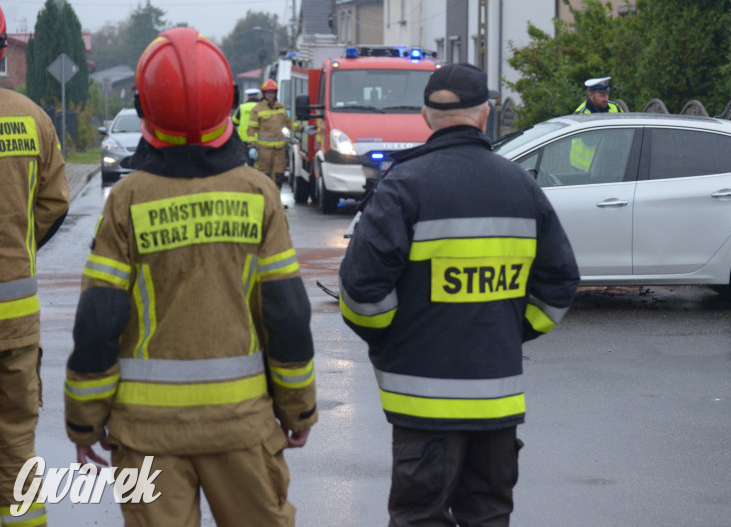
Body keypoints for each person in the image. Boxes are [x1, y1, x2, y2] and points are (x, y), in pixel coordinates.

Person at [64, 28, 317, 526]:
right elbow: (286, 313)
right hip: (242, 428)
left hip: (146, 437)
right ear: (228, 101)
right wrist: (298, 409)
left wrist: (84, 421)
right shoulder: (258, 193)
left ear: (144, 107)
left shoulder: (126, 200)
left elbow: (99, 321)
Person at [339, 62, 580, 526]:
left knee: (419, 517)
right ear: (485, 115)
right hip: (498, 402)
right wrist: (511, 330)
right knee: (488, 516)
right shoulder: (521, 185)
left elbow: (363, 293)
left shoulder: (403, 185)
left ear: (426, 118)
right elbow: (560, 284)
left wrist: (393, 338)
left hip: (421, 406)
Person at [0, 4, 70, 527]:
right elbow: (53, 203)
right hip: (15, 319)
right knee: (16, 443)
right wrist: (21, 246)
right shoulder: (32, 119)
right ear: (4, 50)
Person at [248, 79, 289, 188]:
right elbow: (251, 129)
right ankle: (265, 203)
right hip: (264, 152)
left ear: (276, 93)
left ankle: (276, 203)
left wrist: (303, 129)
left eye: (272, 92)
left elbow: (289, 123)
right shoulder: (257, 109)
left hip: (279, 151)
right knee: (264, 179)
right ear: (263, 94)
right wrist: (251, 146)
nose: (270, 95)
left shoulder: (280, 107)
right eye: (268, 92)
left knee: (278, 178)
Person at [233, 88, 261, 166]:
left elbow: (235, 122)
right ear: (257, 96)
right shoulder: (261, 107)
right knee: (259, 162)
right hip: (259, 140)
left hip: (244, 140)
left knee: (247, 162)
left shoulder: (242, 107)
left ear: (248, 97)